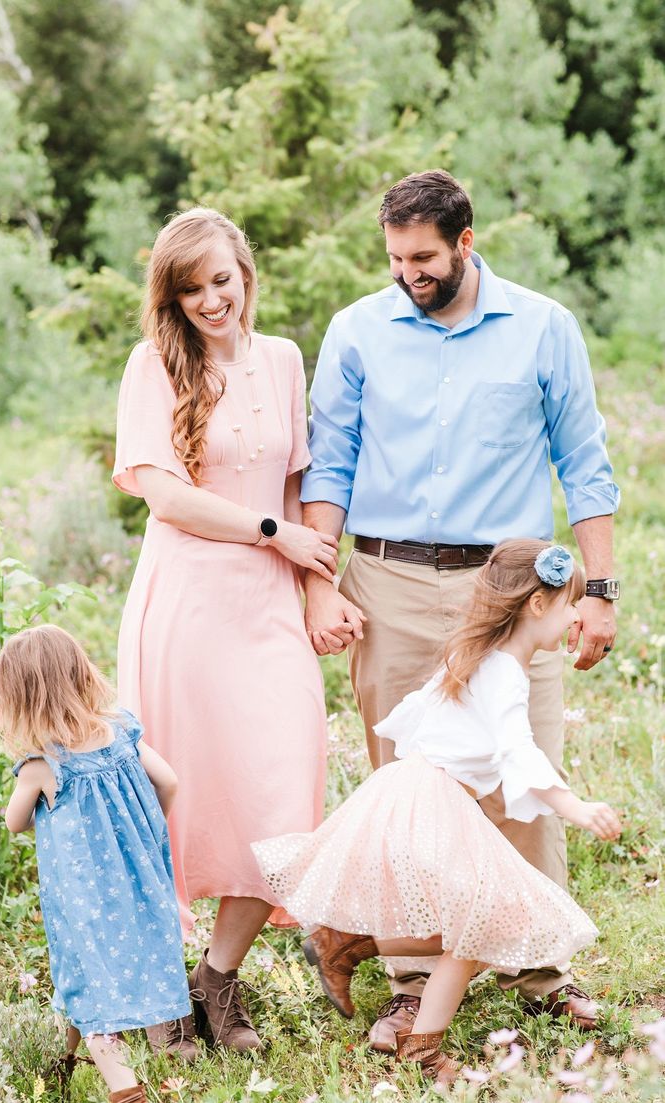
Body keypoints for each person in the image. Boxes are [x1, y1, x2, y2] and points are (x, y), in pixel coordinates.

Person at [300, 170, 620, 1048]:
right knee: (409, 787)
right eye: (397, 258)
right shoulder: (356, 331)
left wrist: (596, 590)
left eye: (426, 258)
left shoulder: (542, 328)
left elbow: (584, 466)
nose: (409, 273)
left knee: (522, 771)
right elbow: (329, 464)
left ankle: (539, 969)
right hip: (389, 582)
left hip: (511, 590)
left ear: (464, 243)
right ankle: (410, 978)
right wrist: (320, 579)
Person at [253, 540, 622, 1085]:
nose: (575, 616)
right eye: (569, 604)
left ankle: (345, 944)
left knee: (468, 929)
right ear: (537, 606)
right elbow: (519, 750)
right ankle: (422, 1051)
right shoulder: (504, 673)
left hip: (416, 789)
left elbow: (415, 717)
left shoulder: (472, 653)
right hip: (436, 800)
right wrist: (576, 806)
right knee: (472, 933)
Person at [113, 207, 333, 1052]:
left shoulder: (280, 360)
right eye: (191, 287)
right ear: (170, 297)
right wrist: (277, 536)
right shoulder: (154, 365)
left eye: (221, 280)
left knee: (283, 793)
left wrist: (317, 584)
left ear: (245, 271)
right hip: (187, 603)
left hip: (267, 605)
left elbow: (293, 485)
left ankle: (217, 978)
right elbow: (165, 496)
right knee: (177, 799)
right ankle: (160, 990)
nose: (211, 300)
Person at [0, 625, 191, 1103]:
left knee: (92, 984)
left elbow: (15, 822)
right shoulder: (121, 732)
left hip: (83, 896)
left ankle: (125, 1088)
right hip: (140, 879)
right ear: (81, 673)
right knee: (90, 969)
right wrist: (146, 836)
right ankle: (64, 1060)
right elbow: (170, 782)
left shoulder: (42, 765)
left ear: (18, 697)